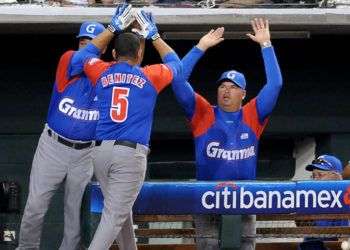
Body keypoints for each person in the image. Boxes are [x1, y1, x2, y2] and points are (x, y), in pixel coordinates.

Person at [72, 5, 182, 249]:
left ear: (113, 53)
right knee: (114, 217)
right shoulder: (150, 75)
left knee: (121, 215)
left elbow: (79, 59)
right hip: (128, 155)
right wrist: (154, 36)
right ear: (139, 54)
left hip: (100, 153)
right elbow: (177, 64)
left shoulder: (101, 70)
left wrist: (112, 28)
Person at [172, 18, 283, 250]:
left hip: (245, 198)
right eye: (223, 85)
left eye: (233, 87)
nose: (226, 90)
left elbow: (275, 84)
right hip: (207, 197)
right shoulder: (203, 113)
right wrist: (200, 47)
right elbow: (178, 80)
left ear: (243, 93)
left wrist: (266, 45)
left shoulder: (253, 114)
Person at [16, 21, 105, 250]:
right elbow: (82, 57)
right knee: (35, 206)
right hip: (53, 146)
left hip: (86, 152)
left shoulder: (106, 77)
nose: (85, 48)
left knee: (75, 218)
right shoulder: (68, 61)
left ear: (103, 48)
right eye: (83, 43)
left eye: (92, 43)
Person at [298, 154, 348, 250]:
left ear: (335, 176)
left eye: (320, 175)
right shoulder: (311, 199)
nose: (315, 179)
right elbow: (308, 233)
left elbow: (343, 240)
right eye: (313, 176)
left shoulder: (342, 201)